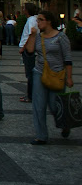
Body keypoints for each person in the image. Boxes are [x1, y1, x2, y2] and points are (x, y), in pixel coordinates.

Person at [24, 10, 74, 144]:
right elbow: (29, 50)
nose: (38, 22)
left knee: (54, 105)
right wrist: (32, 35)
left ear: (49, 21)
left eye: (41, 20)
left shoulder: (61, 37)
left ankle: (65, 125)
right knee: (38, 105)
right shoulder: (38, 36)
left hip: (57, 74)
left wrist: (69, 77)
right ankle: (41, 136)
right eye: (38, 20)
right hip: (39, 72)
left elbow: (68, 58)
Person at [18, 3, 39, 103]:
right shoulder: (32, 19)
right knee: (30, 73)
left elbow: (32, 33)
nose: (23, 9)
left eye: (24, 8)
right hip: (28, 48)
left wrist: (24, 47)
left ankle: (30, 95)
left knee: (30, 73)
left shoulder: (31, 20)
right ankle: (30, 94)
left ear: (27, 10)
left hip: (28, 49)